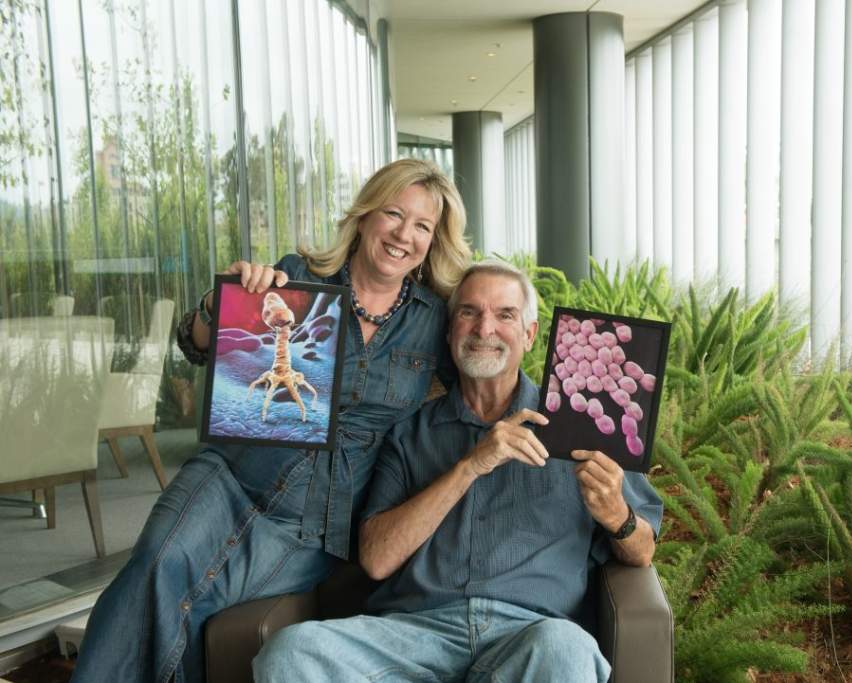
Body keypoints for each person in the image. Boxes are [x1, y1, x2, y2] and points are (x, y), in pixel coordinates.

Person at [73, 159, 472, 683]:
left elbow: (480, 386)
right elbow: (194, 344)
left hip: (317, 523)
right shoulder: (297, 276)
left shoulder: (433, 320)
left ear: (434, 240)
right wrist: (219, 303)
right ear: (366, 215)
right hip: (231, 477)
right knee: (156, 563)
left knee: (196, 600)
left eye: (422, 225)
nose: (404, 235)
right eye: (394, 214)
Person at [252, 260, 663, 683]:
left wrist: (618, 515)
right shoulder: (410, 433)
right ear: (450, 333)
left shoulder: (582, 424)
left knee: (567, 648)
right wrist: (470, 465)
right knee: (290, 654)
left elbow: (642, 551)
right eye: (469, 312)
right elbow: (376, 560)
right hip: (413, 636)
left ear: (529, 334)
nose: (485, 328)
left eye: (505, 315)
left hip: (529, 636)